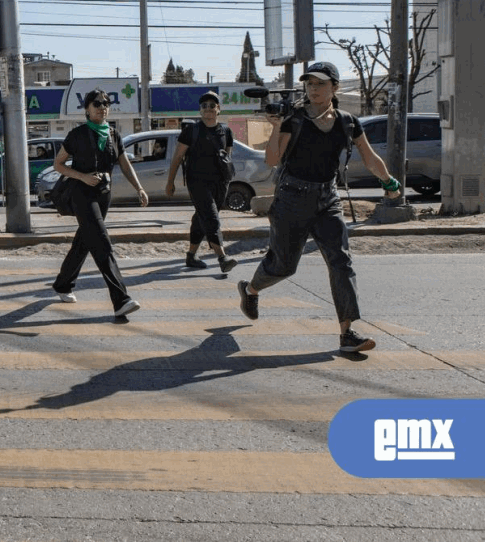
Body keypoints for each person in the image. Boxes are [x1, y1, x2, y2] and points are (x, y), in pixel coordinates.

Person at [238, 61, 403, 355]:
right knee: (284, 266)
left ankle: (347, 333)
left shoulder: (347, 122)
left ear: (335, 88)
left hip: (328, 199)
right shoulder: (295, 120)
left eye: (320, 84)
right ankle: (251, 290)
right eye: (310, 84)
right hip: (291, 198)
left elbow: (369, 157)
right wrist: (276, 128)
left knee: (341, 261)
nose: (313, 89)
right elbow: (272, 160)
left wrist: (388, 181)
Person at [49, 89, 149, 318]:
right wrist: (82, 176)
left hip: (103, 195)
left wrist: (139, 188)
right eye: (97, 103)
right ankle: (121, 299)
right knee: (102, 242)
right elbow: (58, 164)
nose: (102, 107)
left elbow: (124, 164)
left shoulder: (113, 135)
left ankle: (63, 284)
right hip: (82, 194)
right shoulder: (77, 134)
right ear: (87, 109)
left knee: (83, 242)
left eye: (105, 103)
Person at [165, 92, 239, 274]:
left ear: (218, 109)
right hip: (197, 182)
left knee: (201, 217)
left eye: (212, 105)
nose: (208, 109)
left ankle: (191, 255)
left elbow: (227, 158)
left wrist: (227, 180)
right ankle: (222, 257)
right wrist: (170, 182)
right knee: (211, 217)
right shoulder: (192, 131)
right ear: (200, 110)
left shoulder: (226, 132)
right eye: (204, 106)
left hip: (219, 183)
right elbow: (177, 157)